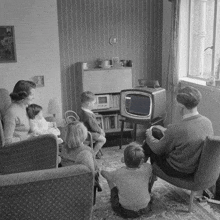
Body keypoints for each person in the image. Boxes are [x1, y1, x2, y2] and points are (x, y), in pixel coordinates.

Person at [142, 86, 214, 179]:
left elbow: (158, 150)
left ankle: (138, 168)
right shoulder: (207, 122)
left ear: (182, 106)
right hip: (194, 167)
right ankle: (140, 165)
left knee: (150, 143)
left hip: (176, 170)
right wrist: (166, 131)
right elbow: (186, 136)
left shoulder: (177, 128)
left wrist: (149, 136)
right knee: (157, 132)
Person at [101, 143, 152, 219]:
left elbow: (104, 174)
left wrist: (101, 171)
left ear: (124, 160)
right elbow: (143, 164)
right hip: (145, 208)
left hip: (125, 211)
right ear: (142, 161)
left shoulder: (118, 173)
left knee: (111, 181)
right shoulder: (148, 168)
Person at [60, 121, 102, 191]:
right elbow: (95, 168)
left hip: (67, 178)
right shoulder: (87, 150)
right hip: (84, 180)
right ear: (83, 134)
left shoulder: (63, 148)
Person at [3, 80, 36, 145]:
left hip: (27, 143)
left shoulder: (25, 107)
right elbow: (7, 141)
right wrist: (27, 137)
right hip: (18, 150)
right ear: (23, 96)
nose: (33, 97)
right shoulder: (12, 112)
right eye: (32, 95)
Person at [79, 91, 106, 159]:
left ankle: (96, 153)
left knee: (101, 135)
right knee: (103, 139)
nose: (95, 104)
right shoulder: (88, 115)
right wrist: (101, 131)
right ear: (88, 104)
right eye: (94, 103)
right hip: (89, 134)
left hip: (85, 132)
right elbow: (94, 127)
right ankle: (93, 154)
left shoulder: (83, 111)